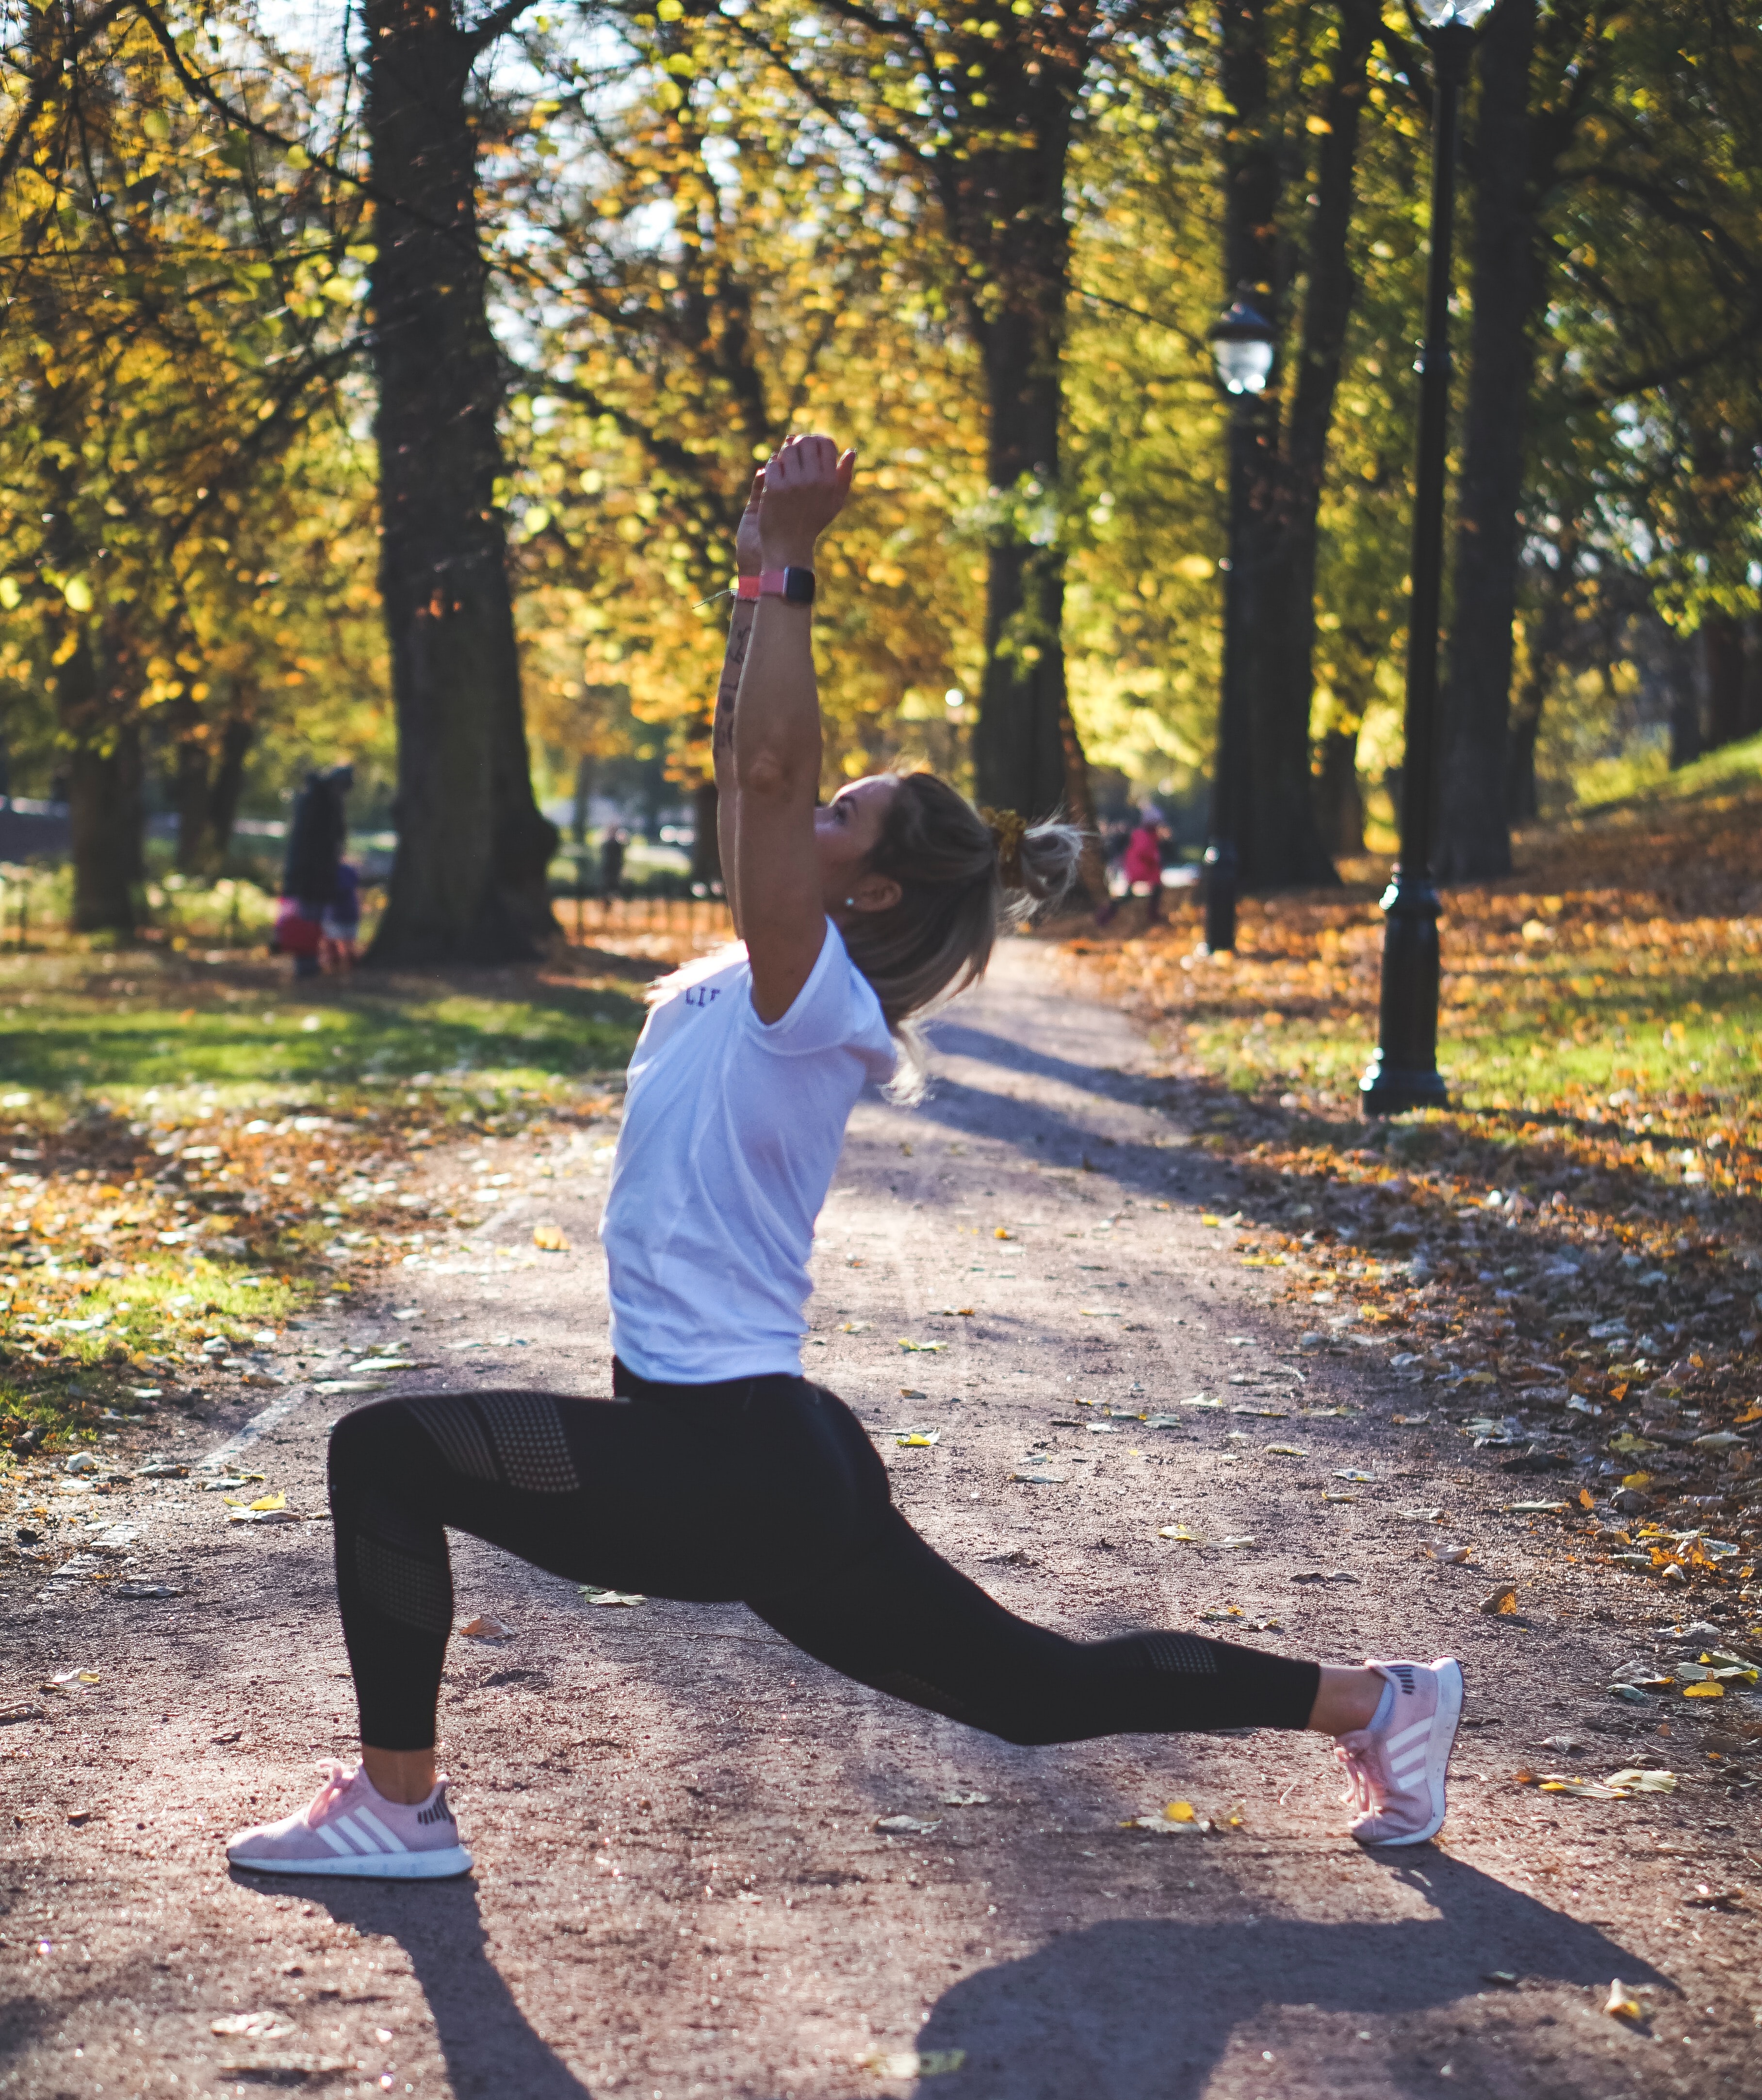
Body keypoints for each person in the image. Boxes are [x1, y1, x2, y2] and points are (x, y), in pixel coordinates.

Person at [226, 434, 1461, 1884]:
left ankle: (400, 1808)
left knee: (382, 1454)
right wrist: (755, 568)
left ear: (867, 887)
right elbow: (741, 759)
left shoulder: (811, 992)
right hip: (750, 1451)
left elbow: (760, 765)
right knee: (1032, 1691)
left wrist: (786, 567)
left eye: (835, 814)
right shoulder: (765, 965)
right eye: (819, 799)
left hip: (725, 1457)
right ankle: (1383, 1702)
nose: (795, 811)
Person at [274, 765, 352, 981]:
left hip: (314, 876)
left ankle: (309, 964)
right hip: (311, 877)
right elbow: (314, 845)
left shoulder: (316, 803)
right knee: (308, 920)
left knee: (312, 920)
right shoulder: (320, 806)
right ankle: (306, 965)